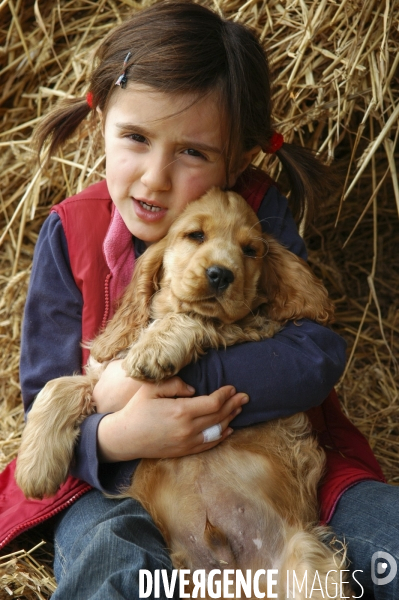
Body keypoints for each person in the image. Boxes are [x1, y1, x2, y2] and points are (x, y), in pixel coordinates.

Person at [6, 2, 396, 599]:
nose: (155, 177)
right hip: (124, 483)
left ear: (235, 160)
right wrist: (116, 436)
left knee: (384, 538)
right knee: (108, 549)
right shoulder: (71, 233)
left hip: (282, 488)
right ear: (99, 121)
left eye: (192, 152)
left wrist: (190, 369)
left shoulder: (257, 216)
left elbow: (314, 355)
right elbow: (44, 400)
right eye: (135, 138)